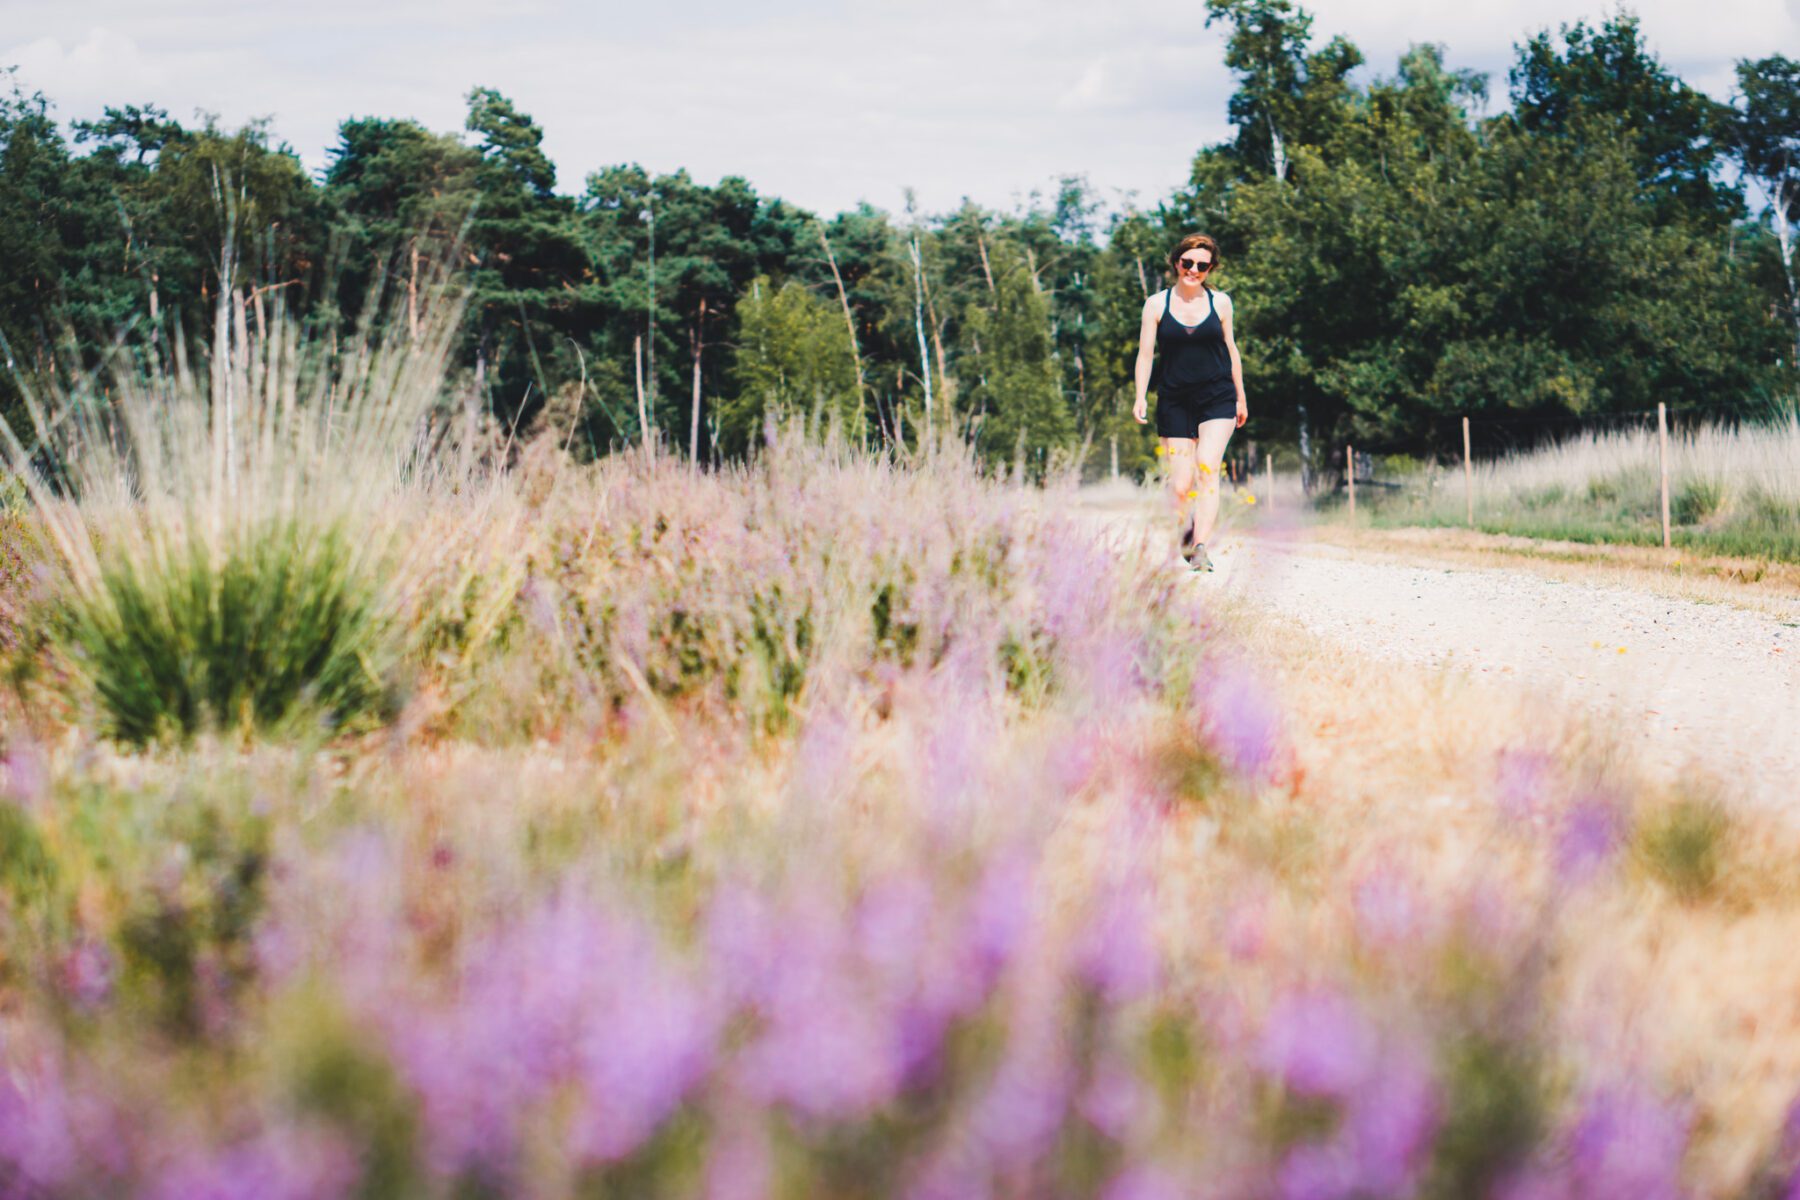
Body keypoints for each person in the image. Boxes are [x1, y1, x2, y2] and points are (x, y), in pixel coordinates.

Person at [1131, 234, 1247, 572]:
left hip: (1218, 396)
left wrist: (1240, 396)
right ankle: (1185, 533)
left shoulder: (1221, 303)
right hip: (1174, 398)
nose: (1193, 270)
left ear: (1210, 269)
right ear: (1176, 262)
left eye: (1202, 265)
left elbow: (1231, 350)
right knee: (1180, 485)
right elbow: (1144, 355)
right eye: (1188, 262)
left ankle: (1200, 547)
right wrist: (1140, 395)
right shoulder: (1156, 304)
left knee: (1208, 466)